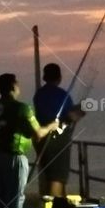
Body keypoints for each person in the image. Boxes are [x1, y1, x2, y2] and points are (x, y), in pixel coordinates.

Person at [0, 73, 56, 208]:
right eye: (17, 83)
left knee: (1, 194)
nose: (19, 86)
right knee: (15, 195)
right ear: (13, 86)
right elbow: (38, 133)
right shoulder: (22, 108)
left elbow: (12, 128)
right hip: (14, 156)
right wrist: (52, 126)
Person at [32, 63, 84, 199]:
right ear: (59, 77)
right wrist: (81, 110)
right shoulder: (62, 95)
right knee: (58, 178)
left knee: (49, 175)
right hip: (58, 140)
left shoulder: (39, 94)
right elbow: (70, 117)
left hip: (42, 140)